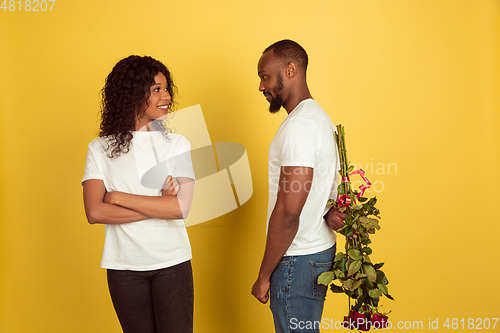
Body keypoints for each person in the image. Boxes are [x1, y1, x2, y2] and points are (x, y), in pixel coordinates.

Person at [82, 55, 195, 333]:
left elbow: (180, 209)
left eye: (166, 88)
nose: (166, 95)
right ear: (132, 93)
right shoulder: (100, 148)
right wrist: (160, 204)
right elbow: (95, 212)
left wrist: (119, 198)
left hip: (172, 264)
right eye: (156, 89)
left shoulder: (178, 144)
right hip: (123, 268)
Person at [251, 40, 348, 333]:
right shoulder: (320, 118)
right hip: (315, 252)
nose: (260, 86)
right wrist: (329, 211)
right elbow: (328, 193)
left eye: (265, 75)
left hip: (297, 260)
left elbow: (289, 210)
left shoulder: (300, 127)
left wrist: (264, 274)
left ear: (290, 70)